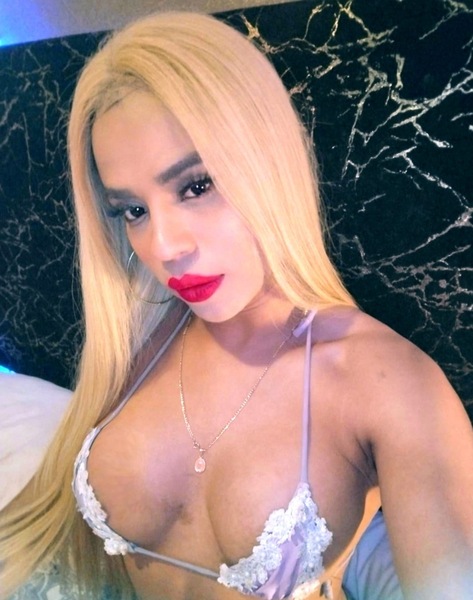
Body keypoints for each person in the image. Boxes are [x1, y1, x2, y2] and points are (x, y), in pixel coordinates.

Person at [1, 10, 473, 600]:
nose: (165, 248)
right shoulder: (137, 335)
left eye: (196, 186)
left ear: (266, 163)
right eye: (133, 210)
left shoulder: (386, 381)